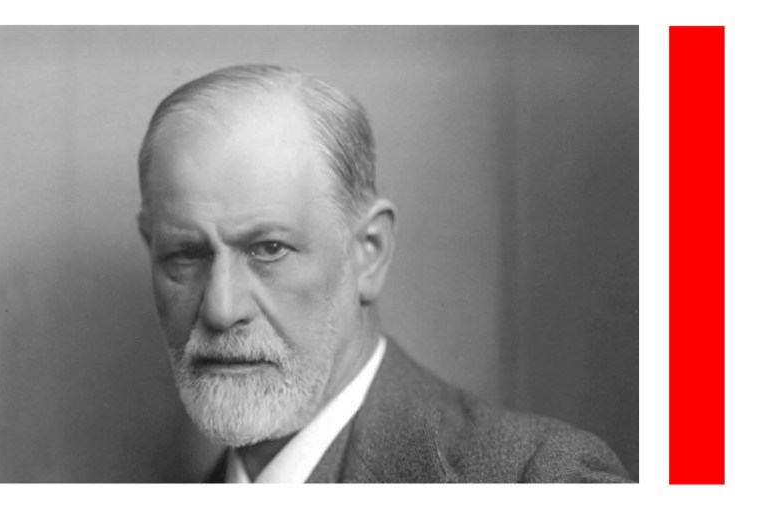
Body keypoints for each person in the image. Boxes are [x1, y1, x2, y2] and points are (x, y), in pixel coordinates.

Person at [135, 64, 633, 483]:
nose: (222, 309)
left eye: (269, 249)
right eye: (185, 254)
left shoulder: (542, 480)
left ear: (369, 252)